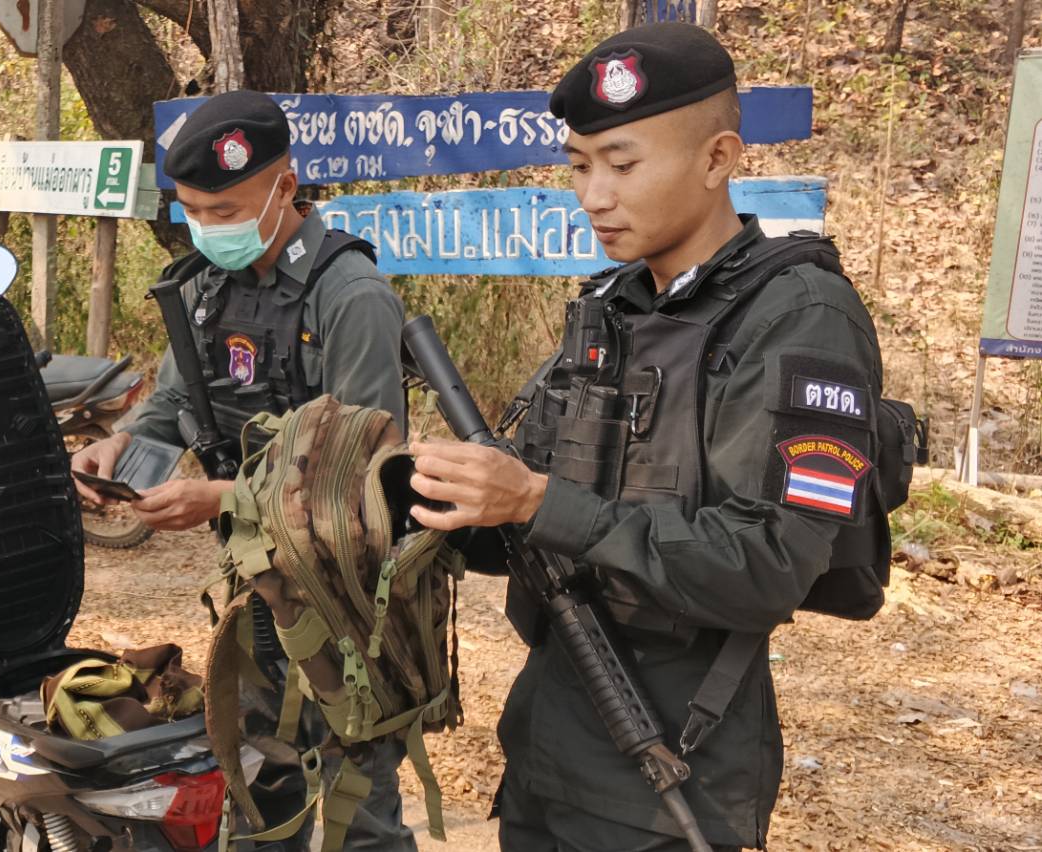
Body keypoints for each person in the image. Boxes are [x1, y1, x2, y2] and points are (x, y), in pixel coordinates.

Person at [408, 23, 892, 851]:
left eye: (623, 165)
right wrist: (432, 499)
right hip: (548, 750)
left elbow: (768, 566)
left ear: (717, 159)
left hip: (672, 776)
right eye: (579, 167)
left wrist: (536, 501)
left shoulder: (801, 318)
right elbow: (532, 530)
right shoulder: (614, 307)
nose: (594, 196)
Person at [70, 90, 415, 850]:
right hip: (256, 590)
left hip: (347, 599)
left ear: (285, 186)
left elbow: (365, 479)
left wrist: (221, 497)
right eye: (193, 210)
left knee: (356, 806)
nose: (208, 226)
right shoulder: (204, 288)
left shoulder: (351, 297)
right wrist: (120, 445)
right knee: (261, 784)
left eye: (224, 209)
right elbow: (175, 399)